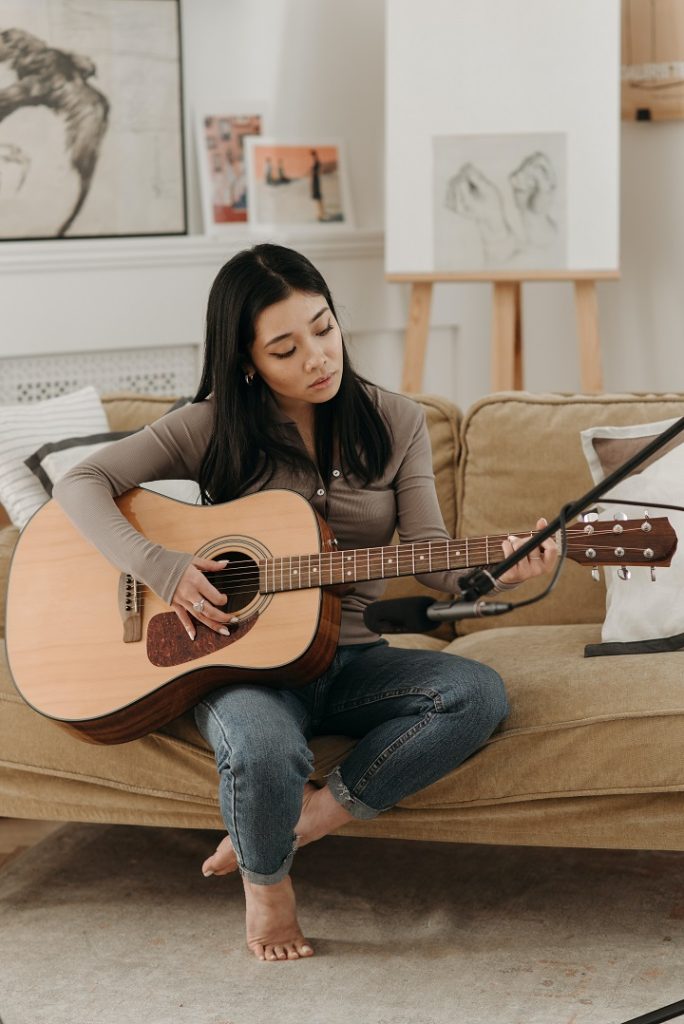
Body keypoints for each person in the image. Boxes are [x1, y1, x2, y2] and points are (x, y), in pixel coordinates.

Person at [53, 244, 558, 963]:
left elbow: (434, 559)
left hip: (352, 659)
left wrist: (500, 575)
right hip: (242, 664)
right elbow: (82, 482)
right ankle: (268, 886)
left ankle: (302, 823)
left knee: (476, 693)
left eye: (324, 328)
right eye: (287, 348)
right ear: (249, 360)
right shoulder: (214, 423)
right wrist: (162, 567)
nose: (318, 357)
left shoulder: (397, 420)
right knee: (260, 745)